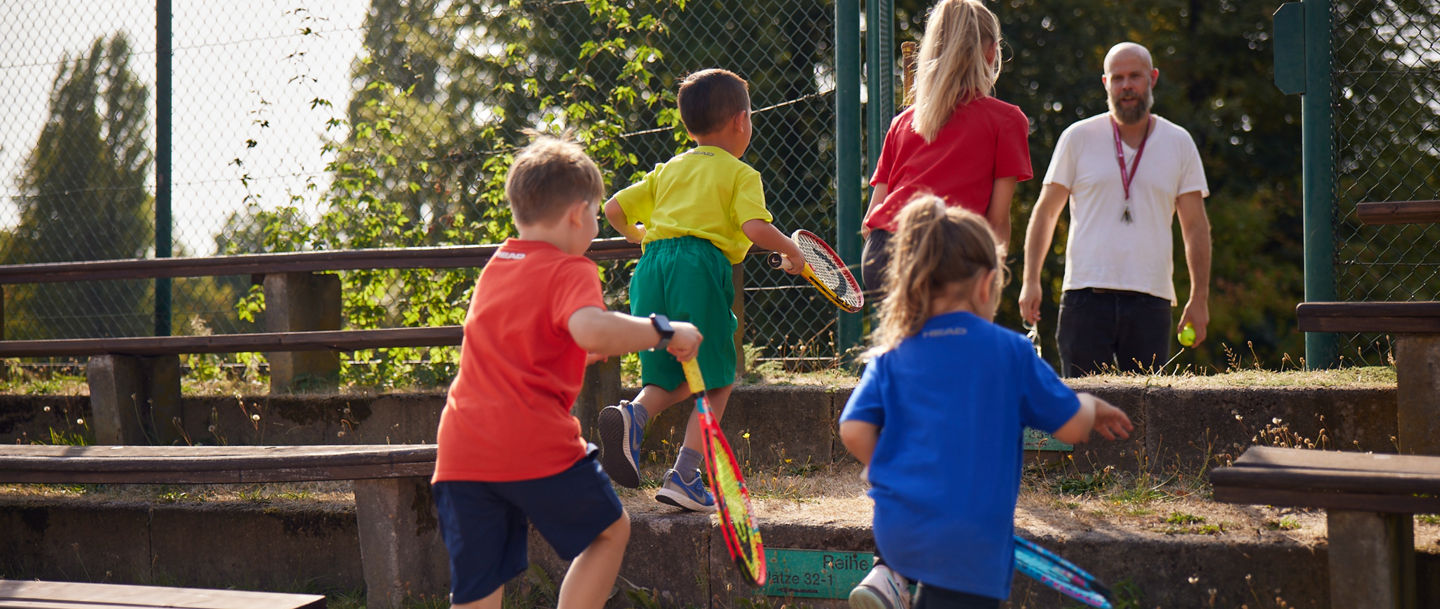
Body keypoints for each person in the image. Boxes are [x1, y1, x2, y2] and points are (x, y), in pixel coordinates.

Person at [431, 134, 703, 609]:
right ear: (578, 214)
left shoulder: (499, 265)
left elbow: (525, 340)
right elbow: (592, 329)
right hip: (531, 439)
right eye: (597, 214)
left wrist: (576, 350)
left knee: (478, 589)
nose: (597, 226)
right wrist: (665, 330)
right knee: (609, 532)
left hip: (462, 450)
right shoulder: (570, 268)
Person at [841, 197, 1134, 609]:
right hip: (973, 541)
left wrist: (886, 466)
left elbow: (852, 429)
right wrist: (1091, 407)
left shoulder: (894, 354)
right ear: (985, 285)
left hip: (900, 532)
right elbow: (1068, 425)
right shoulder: (1010, 352)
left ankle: (889, 579)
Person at [598, 68, 805, 512]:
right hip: (698, 267)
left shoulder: (670, 168)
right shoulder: (740, 173)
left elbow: (613, 206)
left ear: (689, 126)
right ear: (741, 121)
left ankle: (634, 414)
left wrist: (636, 233)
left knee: (670, 373)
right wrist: (793, 250)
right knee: (718, 379)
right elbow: (754, 226)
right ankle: (687, 474)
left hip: (652, 268)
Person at [1018, 42, 1212, 377]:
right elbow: (1046, 212)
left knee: (1146, 416)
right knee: (1083, 414)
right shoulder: (1077, 138)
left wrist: (1199, 298)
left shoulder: (1178, 142)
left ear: (1152, 78)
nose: (1127, 86)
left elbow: (1195, 227)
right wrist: (1030, 280)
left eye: (1134, 76)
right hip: (1085, 296)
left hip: (1151, 299)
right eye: (1118, 77)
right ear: (1106, 83)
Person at [860, 0, 1031, 296]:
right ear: (991, 51)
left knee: (908, 340)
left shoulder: (903, 122)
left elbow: (869, 219)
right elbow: (997, 223)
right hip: (948, 252)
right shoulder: (1006, 120)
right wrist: (989, 283)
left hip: (883, 253)